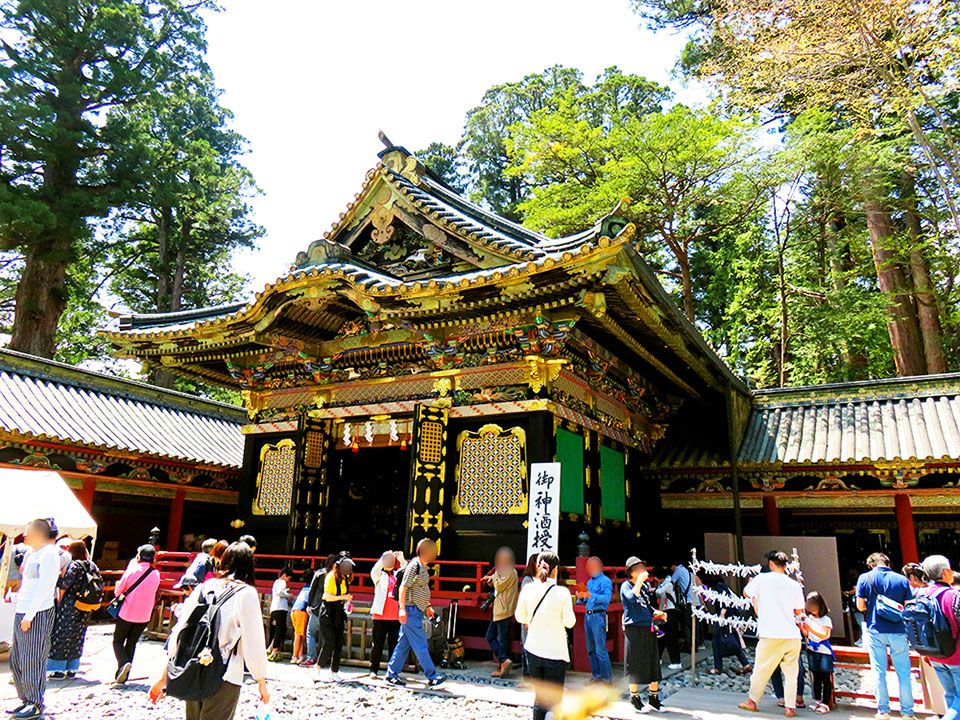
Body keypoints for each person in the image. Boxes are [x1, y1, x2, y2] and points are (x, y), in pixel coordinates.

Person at [150, 541, 270, 720]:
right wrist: (261, 680)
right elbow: (254, 642)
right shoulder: (247, 594)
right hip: (226, 671)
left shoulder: (203, 587)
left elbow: (181, 631)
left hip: (194, 665)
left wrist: (165, 674)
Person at [737, 551, 805, 717]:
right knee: (791, 672)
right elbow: (798, 610)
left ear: (772, 564)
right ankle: (790, 707)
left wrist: (752, 583)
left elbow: (746, 593)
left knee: (761, 668)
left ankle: (752, 701)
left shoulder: (762, 578)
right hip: (792, 634)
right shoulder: (794, 584)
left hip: (770, 632)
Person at [8, 518, 59, 720]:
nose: (26, 535)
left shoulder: (49, 555)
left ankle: (35, 703)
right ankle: (25, 699)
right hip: (23, 609)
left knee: (33, 658)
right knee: (18, 658)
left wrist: (30, 615)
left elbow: (45, 588)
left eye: (29, 531)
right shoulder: (31, 553)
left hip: (37, 612)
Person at [515, 552, 576, 720]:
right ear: (555, 570)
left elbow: (520, 617)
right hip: (555, 652)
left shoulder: (527, 589)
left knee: (540, 698)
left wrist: (534, 620)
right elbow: (570, 622)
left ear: (538, 566)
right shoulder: (562, 593)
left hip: (533, 649)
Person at [856, 552, 915, 720]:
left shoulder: (865, 578)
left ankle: (883, 710)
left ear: (872, 565)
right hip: (898, 629)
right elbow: (908, 606)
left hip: (875, 629)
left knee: (878, 671)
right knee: (903, 672)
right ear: (888, 564)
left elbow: (860, 606)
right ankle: (907, 712)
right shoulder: (902, 579)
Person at [385, 538, 446, 687]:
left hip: (415, 610)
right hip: (410, 610)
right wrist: (402, 608)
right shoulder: (414, 566)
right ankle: (432, 675)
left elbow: (420, 590)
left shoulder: (422, 567)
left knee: (403, 645)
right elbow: (403, 588)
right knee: (421, 644)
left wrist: (427, 606)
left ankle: (391, 674)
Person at [47, 540, 99, 678]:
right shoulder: (92, 565)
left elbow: (65, 584)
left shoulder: (75, 565)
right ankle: (72, 668)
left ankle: (58, 669)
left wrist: (56, 577)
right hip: (86, 604)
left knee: (62, 635)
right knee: (77, 636)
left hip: (70, 604)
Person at [917, 555, 960, 720]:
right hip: (956, 655)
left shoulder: (921, 594)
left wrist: (925, 653)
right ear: (945, 572)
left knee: (951, 695)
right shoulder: (953, 596)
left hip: (934, 654)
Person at [621, 557, 666, 712]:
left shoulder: (646, 587)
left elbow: (647, 606)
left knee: (653, 662)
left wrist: (657, 613)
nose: (642, 571)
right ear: (631, 572)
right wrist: (639, 582)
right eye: (639, 569)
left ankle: (654, 698)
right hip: (633, 628)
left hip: (648, 626)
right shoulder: (626, 586)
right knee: (635, 664)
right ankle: (635, 698)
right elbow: (632, 599)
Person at [113, 544, 161, 684]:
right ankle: (123, 675)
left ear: (138, 556)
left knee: (117, 641)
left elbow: (118, 592)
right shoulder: (156, 574)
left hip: (128, 611)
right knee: (132, 643)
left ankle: (123, 664)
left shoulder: (132, 571)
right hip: (144, 614)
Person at [315, 555, 354, 682]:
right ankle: (317, 668)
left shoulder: (345, 578)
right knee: (329, 641)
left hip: (339, 612)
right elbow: (327, 596)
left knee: (338, 643)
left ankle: (334, 671)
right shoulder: (331, 577)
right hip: (328, 612)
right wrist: (343, 597)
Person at [575, 555, 613, 682]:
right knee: (591, 649)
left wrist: (591, 595)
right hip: (588, 615)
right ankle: (596, 676)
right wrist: (581, 596)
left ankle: (607, 679)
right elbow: (585, 599)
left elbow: (607, 599)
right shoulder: (590, 582)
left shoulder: (605, 581)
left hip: (598, 615)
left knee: (600, 649)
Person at [484, 546, 519, 678]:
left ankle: (503, 662)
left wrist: (493, 577)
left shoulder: (510, 571)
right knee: (492, 637)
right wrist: (490, 579)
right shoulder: (504, 572)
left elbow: (499, 585)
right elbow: (496, 584)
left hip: (503, 610)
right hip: (498, 610)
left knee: (500, 638)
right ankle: (504, 661)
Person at [370, 550, 406, 677]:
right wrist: (383, 556)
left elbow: (408, 573)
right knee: (377, 644)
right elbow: (374, 570)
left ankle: (392, 671)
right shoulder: (379, 576)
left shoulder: (398, 575)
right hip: (380, 615)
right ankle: (373, 670)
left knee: (394, 645)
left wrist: (401, 559)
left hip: (395, 616)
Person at [707, 577, 752, 675]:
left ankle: (718, 667)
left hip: (723, 618)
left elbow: (724, 601)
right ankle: (746, 664)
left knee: (716, 641)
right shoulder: (726, 588)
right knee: (734, 641)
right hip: (730, 618)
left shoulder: (719, 587)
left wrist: (722, 614)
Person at [301, 553, 339, 667]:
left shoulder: (320, 573)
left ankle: (311, 657)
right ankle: (324, 658)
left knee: (310, 632)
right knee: (325, 635)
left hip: (317, 607)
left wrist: (309, 604)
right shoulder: (337, 575)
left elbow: (312, 589)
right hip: (330, 609)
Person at [801, 591, 835, 714]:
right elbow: (807, 634)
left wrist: (810, 629)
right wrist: (803, 628)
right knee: (816, 677)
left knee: (825, 677)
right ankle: (817, 700)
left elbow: (825, 635)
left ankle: (826, 702)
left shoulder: (826, 619)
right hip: (811, 650)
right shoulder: (808, 618)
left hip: (824, 651)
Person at [654, 568, 682, 670]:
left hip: (670, 612)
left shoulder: (669, 584)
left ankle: (676, 661)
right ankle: (658, 658)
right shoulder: (664, 583)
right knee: (659, 635)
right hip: (662, 612)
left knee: (671, 637)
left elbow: (659, 592)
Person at [267, 566, 293, 661]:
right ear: (285, 575)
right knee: (280, 629)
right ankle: (274, 651)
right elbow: (280, 593)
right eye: (288, 578)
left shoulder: (276, 582)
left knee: (279, 629)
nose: (288, 581)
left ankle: (271, 647)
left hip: (275, 608)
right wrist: (289, 596)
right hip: (280, 608)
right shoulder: (282, 582)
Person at [519, 553, 539, 677]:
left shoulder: (539, 579)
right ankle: (526, 671)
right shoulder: (528, 580)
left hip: (537, 615)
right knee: (527, 641)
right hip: (528, 615)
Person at [290, 569, 313, 664]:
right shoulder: (311, 588)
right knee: (299, 634)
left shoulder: (304, 588)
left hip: (294, 610)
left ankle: (300, 655)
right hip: (301, 610)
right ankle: (294, 656)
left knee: (300, 633)